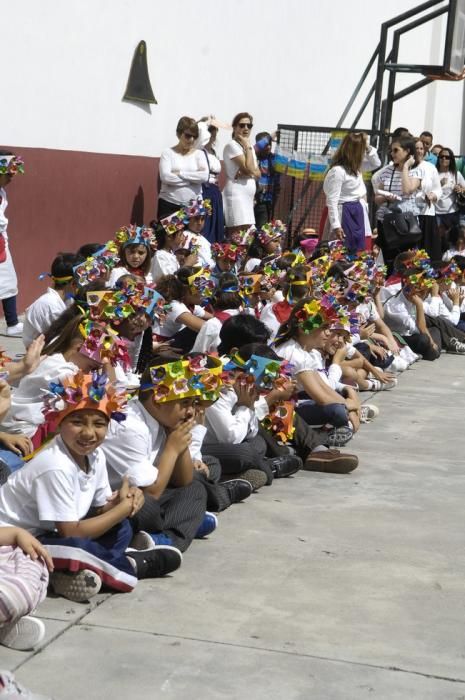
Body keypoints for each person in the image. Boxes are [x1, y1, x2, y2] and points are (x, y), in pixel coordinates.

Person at [0, 371, 183, 603]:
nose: (88, 433)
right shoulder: (55, 465)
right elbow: (71, 533)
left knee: (122, 528)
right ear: (59, 422)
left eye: (99, 424)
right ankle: (131, 565)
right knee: (76, 546)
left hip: (53, 532)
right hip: (15, 539)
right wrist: (121, 509)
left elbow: (99, 509)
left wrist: (122, 500)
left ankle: (74, 571)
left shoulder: (95, 456)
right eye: (77, 422)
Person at [322, 133, 381, 252]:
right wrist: (336, 225)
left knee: (360, 252)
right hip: (344, 213)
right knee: (342, 251)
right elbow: (332, 200)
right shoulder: (338, 171)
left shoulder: (356, 168)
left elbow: (376, 163)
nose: (364, 153)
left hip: (357, 212)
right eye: (362, 149)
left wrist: (367, 146)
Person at [373, 136, 423, 272]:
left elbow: (407, 190)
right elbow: (377, 198)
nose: (392, 153)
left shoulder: (416, 170)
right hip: (387, 221)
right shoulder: (387, 171)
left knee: (407, 259)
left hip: (405, 223)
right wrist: (385, 197)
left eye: (396, 150)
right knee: (388, 260)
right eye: (391, 150)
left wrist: (406, 167)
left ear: (407, 151)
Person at [22, 252, 81, 348]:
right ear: (73, 283)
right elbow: (65, 338)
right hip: (40, 354)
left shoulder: (66, 299)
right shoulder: (52, 306)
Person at [158, 117, 208, 219]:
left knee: (192, 235)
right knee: (169, 235)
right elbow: (166, 177)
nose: (192, 140)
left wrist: (180, 173)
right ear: (178, 134)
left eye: (195, 136)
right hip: (170, 203)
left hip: (194, 205)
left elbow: (204, 177)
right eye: (188, 136)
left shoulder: (199, 154)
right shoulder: (167, 153)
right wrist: (192, 181)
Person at [222, 112, 260, 236]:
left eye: (249, 126)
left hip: (248, 197)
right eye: (242, 125)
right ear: (234, 127)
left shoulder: (249, 148)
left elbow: (258, 173)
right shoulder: (232, 146)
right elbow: (249, 169)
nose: (246, 128)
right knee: (237, 232)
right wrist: (248, 147)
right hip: (236, 194)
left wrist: (250, 171)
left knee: (248, 232)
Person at [0, 151, 25, 336]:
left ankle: (12, 323)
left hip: (1, 242)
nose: (12, 178)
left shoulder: (2, 192)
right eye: (8, 174)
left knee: (9, 281)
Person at [414, 138, 442, 260]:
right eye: (416, 148)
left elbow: (438, 189)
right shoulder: (405, 167)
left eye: (421, 148)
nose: (419, 151)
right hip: (410, 214)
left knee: (428, 252)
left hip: (427, 214)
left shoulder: (430, 167)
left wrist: (433, 195)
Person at [200, 122, 225, 244]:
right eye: (210, 134)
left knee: (217, 223)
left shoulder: (213, 152)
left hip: (215, 191)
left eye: (214, 135)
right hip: (205, 190)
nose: (212, 137)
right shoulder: (199, 151)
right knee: (207, 223)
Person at [435, 147, 465, 239]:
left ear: (451, 160)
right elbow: (427, 191)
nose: (444, 159)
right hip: (436, 213)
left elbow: (464, 188)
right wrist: (439, 184)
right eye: (441, 156)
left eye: (447, 157)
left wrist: (460, 189)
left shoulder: (456, 174)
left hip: (452, 212)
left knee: (451, 240)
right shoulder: (433, 173)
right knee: (438, 240)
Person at [254, 131, 280, 228]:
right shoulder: (253, 157)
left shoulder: (274, 159)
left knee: (262, 229)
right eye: (265, 144)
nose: (268, 147)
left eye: (270, 144)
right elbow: (253, 149)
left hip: (267, 202)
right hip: (253, 200)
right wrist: (269, 137)